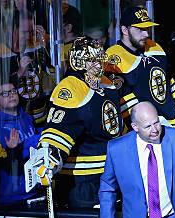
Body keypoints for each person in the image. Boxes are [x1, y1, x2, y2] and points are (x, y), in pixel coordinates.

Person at [34, 36, 125, 208]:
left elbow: (115, 126)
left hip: (111, 176)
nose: (98, 65)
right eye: (91, 60)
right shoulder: (70, 87)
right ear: (78, 62)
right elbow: (57, 129)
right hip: (82, 184)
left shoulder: (107, 84)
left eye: (99, 59)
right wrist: (49, 160)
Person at [105, 6, 175, 126]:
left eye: (147, 28)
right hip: (145, 130)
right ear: (125, 30)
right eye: (140, 29)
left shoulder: (155, 47)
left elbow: (169, 83)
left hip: (174, 123)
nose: (146, 33)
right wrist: (143, 126)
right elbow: (119, 100)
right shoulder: (113, 57)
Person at [0, 78, 41, 206]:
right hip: (11, 197)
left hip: (34, 190)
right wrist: (39, 138)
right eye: (5, 93)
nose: (11, 95)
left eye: (13, 91)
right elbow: (4, 161)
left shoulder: (26, 117)